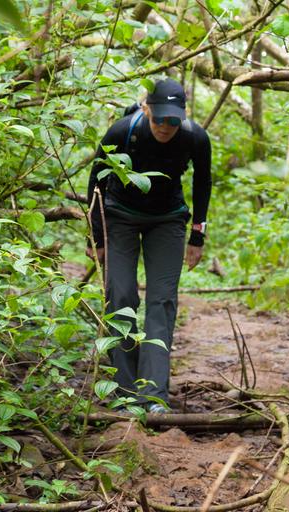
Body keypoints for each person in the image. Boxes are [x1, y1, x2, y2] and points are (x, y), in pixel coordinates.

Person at [86, 78, 211, 414]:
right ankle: (126, 393)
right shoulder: (122, 131)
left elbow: (203, 182)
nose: (166, 127)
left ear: (183, 116)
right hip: (120, 216)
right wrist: (95, 238)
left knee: (162, 301)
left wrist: (197, 236)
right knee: (120, 295)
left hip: (168, 219)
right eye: (159, 119)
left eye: (173, 120)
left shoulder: (195, 137)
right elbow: (96, 179)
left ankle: (153, 396)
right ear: (145, 109)